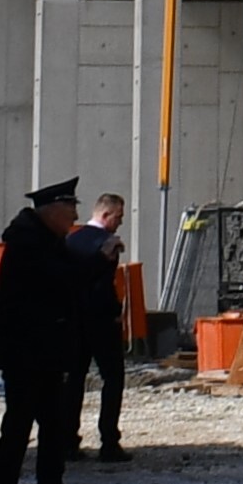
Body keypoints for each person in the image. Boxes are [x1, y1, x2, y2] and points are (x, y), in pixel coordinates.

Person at [0, 177, 101, 484]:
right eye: (70, 208)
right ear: (51, 210)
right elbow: (61, 280)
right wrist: (99, 262)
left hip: (47, 354)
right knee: (18, 431)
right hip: (27, 355)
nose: (75, 215)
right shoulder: (28, 245)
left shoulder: (48, 241)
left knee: (54, 429)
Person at [78, 192, 135, 459]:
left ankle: (68, 440)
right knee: (113, 379)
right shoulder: (108, 243)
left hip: (75, 322)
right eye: (118, 217)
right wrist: (115, 313)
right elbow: (102, 285)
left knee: (74, 381)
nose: (120, 223)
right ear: (105, 215)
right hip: (101, 321)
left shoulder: (71, 240)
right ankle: (109, 441)